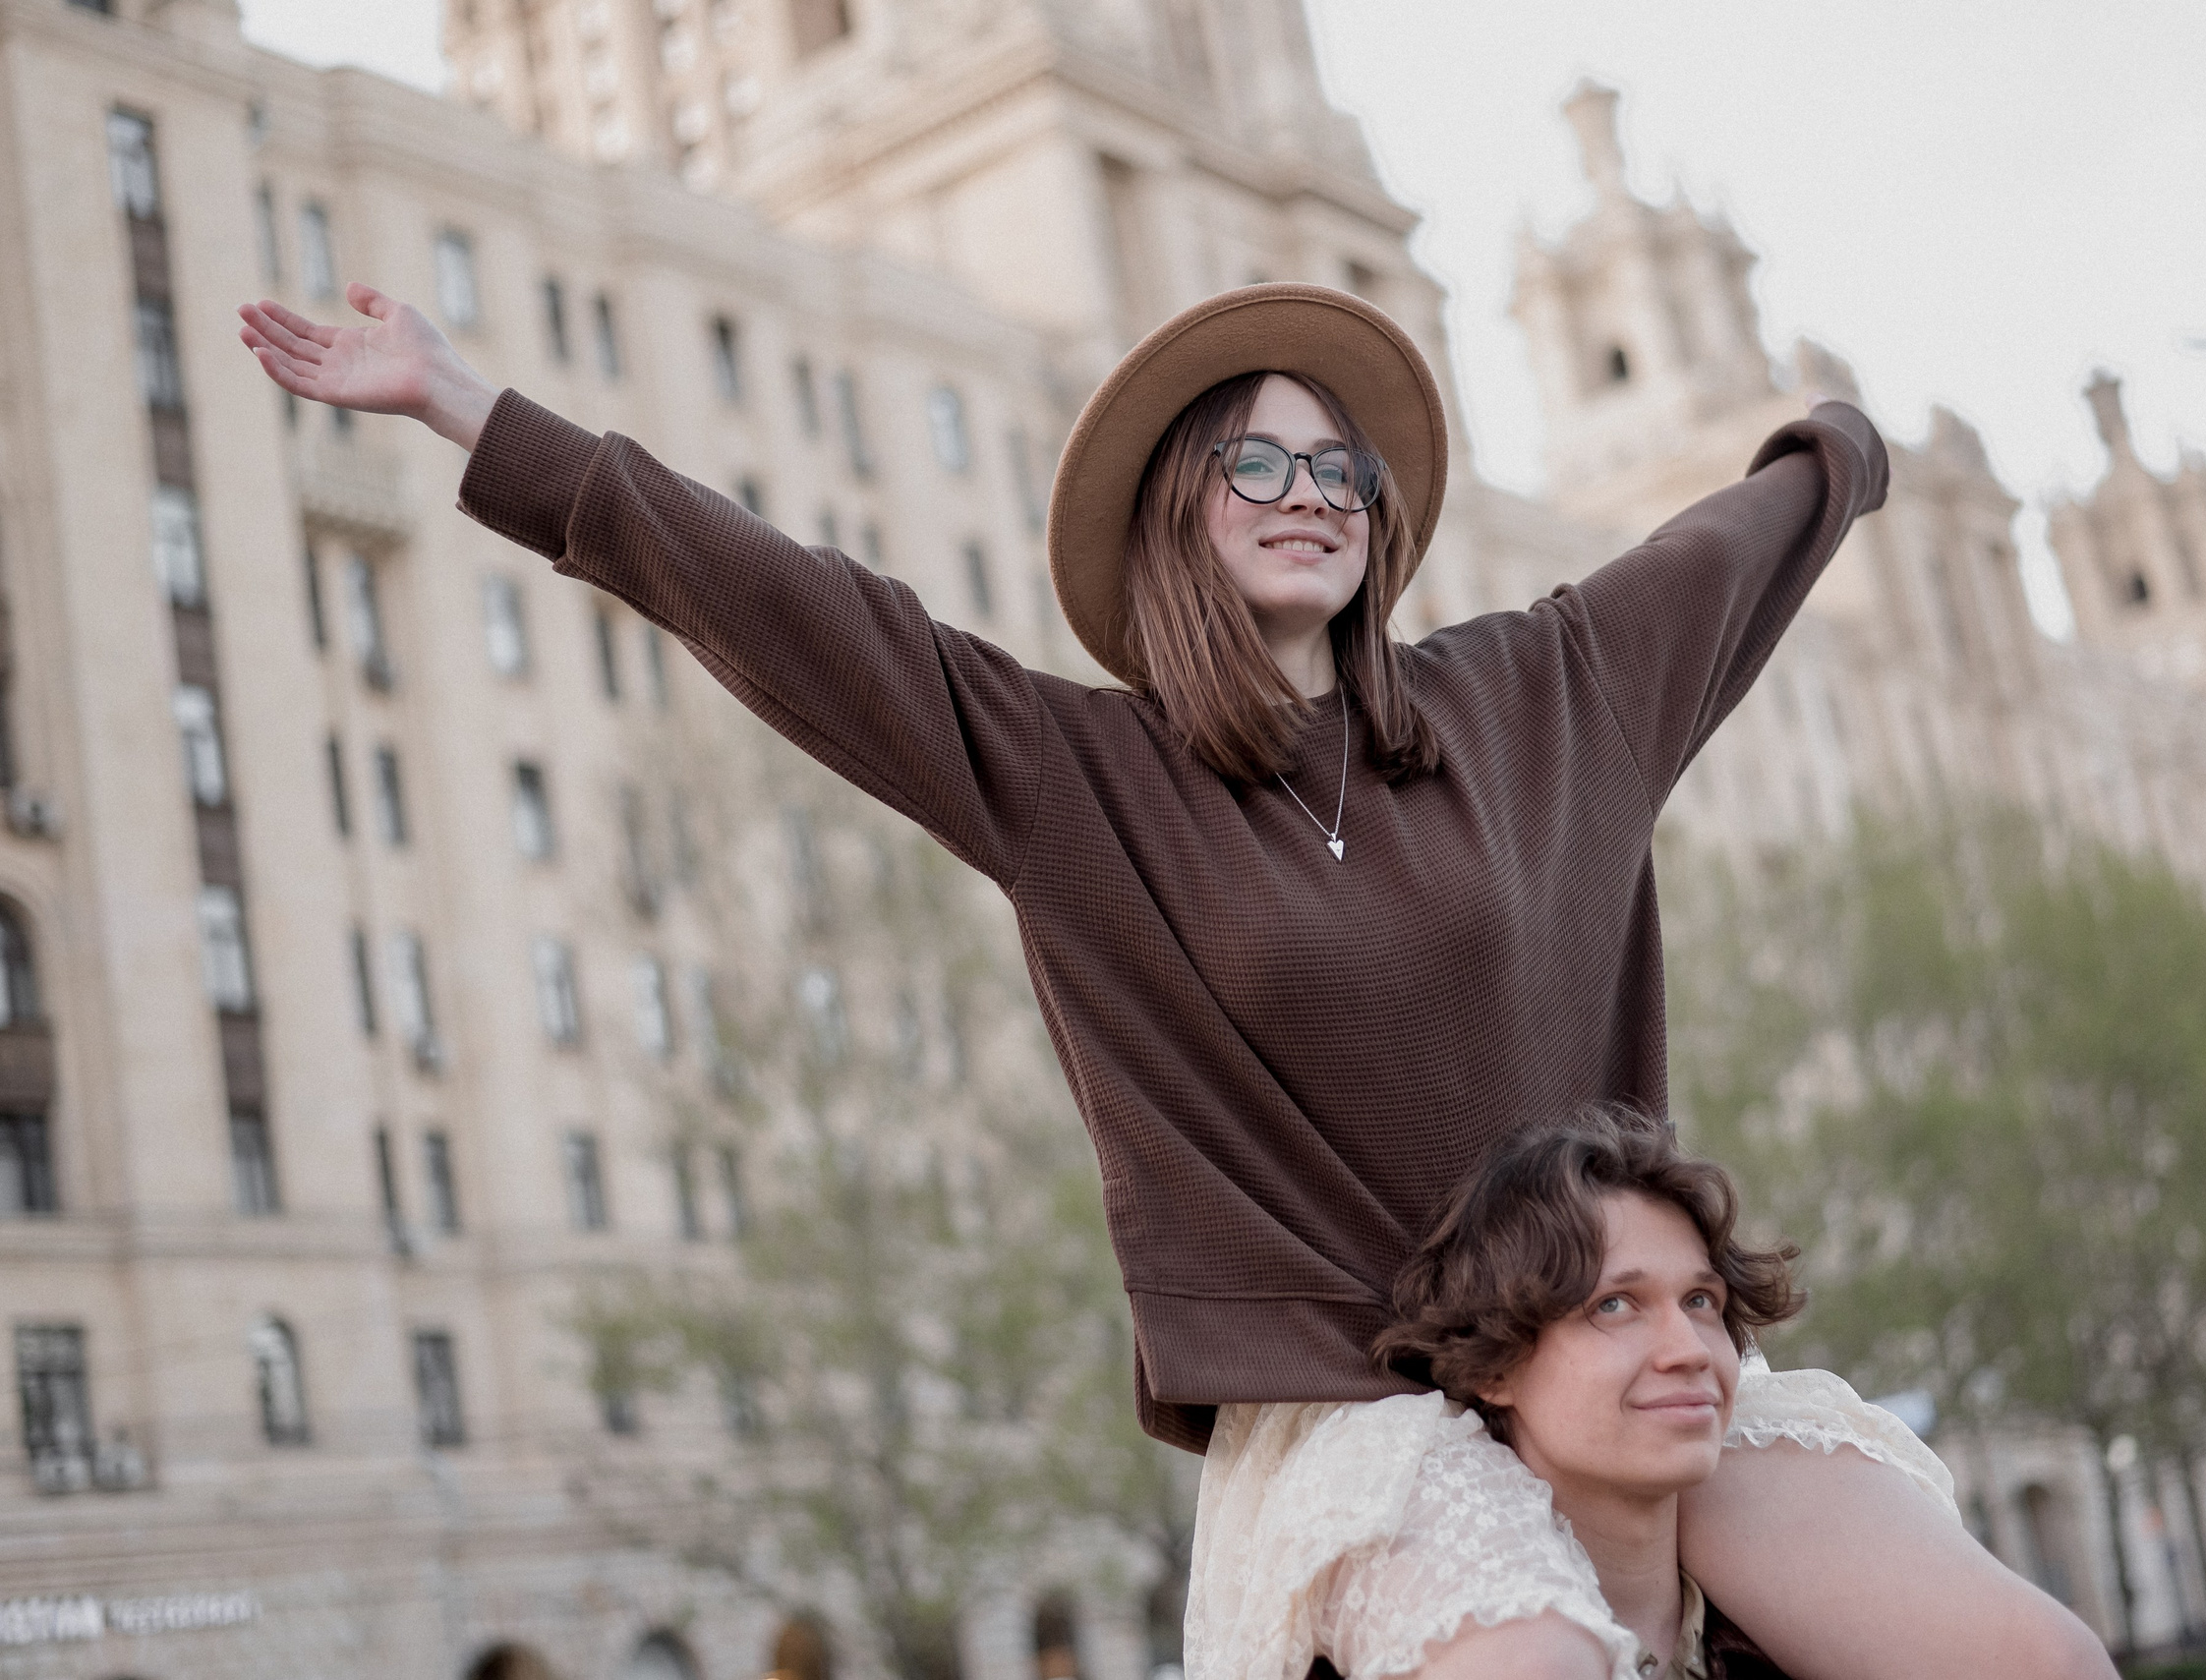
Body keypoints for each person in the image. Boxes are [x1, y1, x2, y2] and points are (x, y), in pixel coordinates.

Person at [237, 280, 2110, 1680]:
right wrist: (468, 408)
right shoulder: (1079, 778)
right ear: (1179, 518)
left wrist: (1842, 449)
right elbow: (787, 606)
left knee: (2025, 1658)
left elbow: (1738, 546)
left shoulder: (1543, 695)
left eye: (1340, 466)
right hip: (1359, 1409)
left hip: (1621, 1345)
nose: (1310, 492)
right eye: (1256, 463)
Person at [1361, 1111, 2100, 1680]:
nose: (1687, 1350)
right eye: (1614, 1305)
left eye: (1700, 1301)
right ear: (1494, 1366)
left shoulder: (1801, 1640)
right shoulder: (1430, 1642)